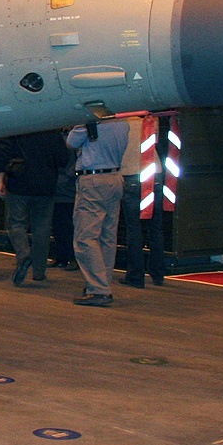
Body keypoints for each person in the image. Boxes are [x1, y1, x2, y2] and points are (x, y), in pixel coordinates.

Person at [66, 119, 130, 306]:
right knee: (107, 237)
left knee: (85, 237)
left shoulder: (89, 122)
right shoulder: (124, 122)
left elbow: (70, 143)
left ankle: (98, 289)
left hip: (93, 180)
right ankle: (103, 284)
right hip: (115, 177)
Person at [0, 130, 69, 286]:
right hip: (46, 184)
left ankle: (23, 254)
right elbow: (63, 159)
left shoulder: (19, 127)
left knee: (16, 223)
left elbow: (2, 154)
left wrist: (0, 181)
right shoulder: (53, 131)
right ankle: (39, 272)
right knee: (42, 229)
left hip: (19, 182)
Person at [118, 115, 164, 288]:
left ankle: (136, 276)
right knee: (155, 227)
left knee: (134, 228)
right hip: (154, 172)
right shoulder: (151, 119)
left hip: (130, 173)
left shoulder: (119, 121)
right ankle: (158, 273)